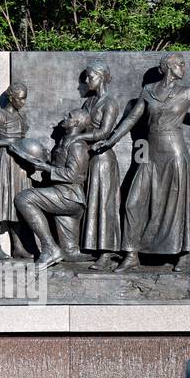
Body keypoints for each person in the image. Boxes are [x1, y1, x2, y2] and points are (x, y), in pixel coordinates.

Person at [92, 53, 190, 273]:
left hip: (175, 153)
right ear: (168, 67)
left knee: (177, 204)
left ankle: (184, 253)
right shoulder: (148, 90)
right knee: (133, 202)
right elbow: (132, 118)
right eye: (180, 64)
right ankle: (131, 254)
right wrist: (111, 139)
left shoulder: (186, 92)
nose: (183, 67)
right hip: (149, 152)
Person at [14, 108, 93, 270]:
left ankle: (49, 248)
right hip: (60, 195)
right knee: (70, 254)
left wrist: (45, 167)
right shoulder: (65, 140)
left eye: (69, 116)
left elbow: (74, 176)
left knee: (24, 198)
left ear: (76, 123)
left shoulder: (77, 145)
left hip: (69, 197)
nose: (65, 116)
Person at [74, 60, 123, 268]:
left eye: (90, 76)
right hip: (89, 159)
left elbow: (105, 132)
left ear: (101, 77)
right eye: (86, 77)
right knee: (92, 203)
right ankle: (92, 246)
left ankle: (107, 252)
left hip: (103, 159)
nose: (86, 81)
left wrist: (78, 138)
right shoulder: (88, 103)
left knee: (104, 204)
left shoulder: (109, 103)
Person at [0, 81, 33, 260]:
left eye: (25, 98)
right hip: (3, 161)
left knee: (16, 204)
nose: (23, 102)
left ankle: (17, 247)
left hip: (19, 163)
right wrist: (9, 143)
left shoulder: (20, 117)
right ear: (11, 98)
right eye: (21, 98)